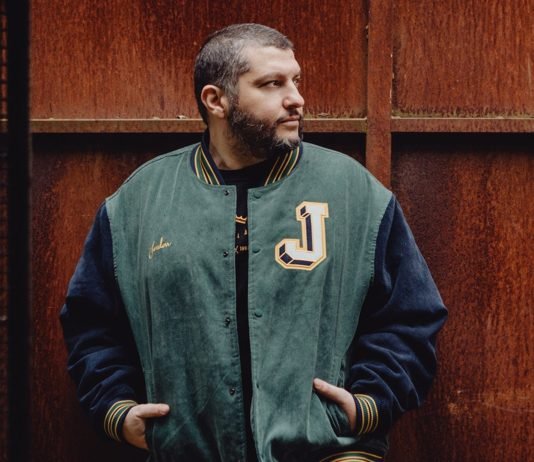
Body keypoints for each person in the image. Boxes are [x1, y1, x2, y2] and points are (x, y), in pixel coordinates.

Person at [60, 23, 447, 462]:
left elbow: (410, 317)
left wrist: (369, 404)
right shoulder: (139, 201)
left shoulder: (353, 192)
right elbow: (91, 323)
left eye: (295, 80)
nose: (296, 98)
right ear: (216, 100)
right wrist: (116, 408)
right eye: (271, 84)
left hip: (329, 453)